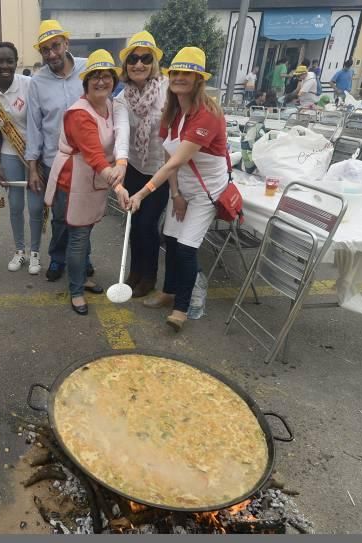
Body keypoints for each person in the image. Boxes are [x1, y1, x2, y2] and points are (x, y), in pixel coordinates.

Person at [127, 47, 228, 333]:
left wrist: (142, 193)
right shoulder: (171, 113)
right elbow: (168, 160)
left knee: (185, 249)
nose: (180, 78)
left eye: (187, 73)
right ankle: (169, 291)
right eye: (176, 72)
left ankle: (182, 306)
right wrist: (175, 195)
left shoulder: (206, 114)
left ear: (199, 79)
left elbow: (177, 161)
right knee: (170, 240)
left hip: (207, 191)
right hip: (183, 188)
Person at [46, 50, 126, 315]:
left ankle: (82, 276)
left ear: (114, 80)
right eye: (95, 77)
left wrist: (115, 171)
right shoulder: (79, 113)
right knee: (78, 235)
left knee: (86, 230)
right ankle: (76, 289)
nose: (101, 82)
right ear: (86, 82)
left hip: (95, 179)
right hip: (74, 180)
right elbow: (93, 153)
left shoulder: (112, 107)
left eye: (106, 76)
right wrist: (117, 183)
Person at [26, 20, 99, 282]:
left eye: (55, 46)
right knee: (60, 216)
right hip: (55, 162)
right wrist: (33, 167)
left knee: (84, 216)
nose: (51, 54)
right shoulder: (37, 82)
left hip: (88, 161)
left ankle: (83, 258)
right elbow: (34, 126)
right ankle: (58, 258)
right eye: (45, 50)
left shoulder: (87, 68)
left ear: (66, 43)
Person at [113, 31, 169, 298]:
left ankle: (149, 275)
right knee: (133, 223)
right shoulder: (122, 99)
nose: (139, 64)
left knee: (148, 224)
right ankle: (134, 271)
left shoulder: (167, 90)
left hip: (161, 170)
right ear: (126, 66)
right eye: (133, 59)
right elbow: (122, 133)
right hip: (134, 167)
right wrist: (120, 167)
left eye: (145, 58)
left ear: (153, 62)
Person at [0, 41, 42, 274]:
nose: (5, 65)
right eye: (0, 61)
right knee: (15, 206)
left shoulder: (29, 84)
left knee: (36, 207)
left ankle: (35, 252)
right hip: (8, 153)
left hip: (34, 153)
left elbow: (39, 121)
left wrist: (37, 160)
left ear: (16, 62)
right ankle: (20, 251)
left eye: (9, 61)